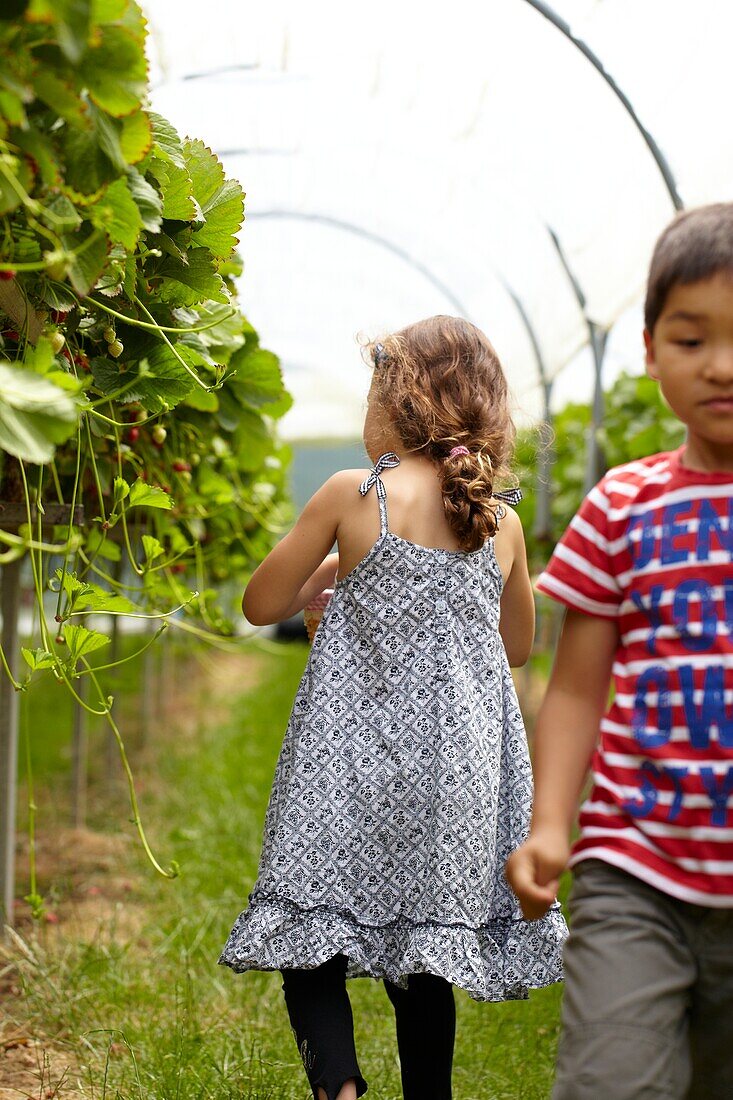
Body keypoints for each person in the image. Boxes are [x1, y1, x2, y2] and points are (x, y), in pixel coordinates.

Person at [219, 315, 567, 1100]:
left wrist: (333, 574)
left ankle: (338, 1090)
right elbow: (516, 644)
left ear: (397, 402)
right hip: (455, 781)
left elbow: (260, 601)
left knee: (309, 939)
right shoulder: (501, 523)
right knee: (423, 958)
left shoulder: (356, 496)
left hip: (345, 770)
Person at [506, 203, 733, 1100]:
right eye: (690, 339)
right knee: (613, 1081)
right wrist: (552, 823)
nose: (720, 365)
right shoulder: (620, 506)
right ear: (647, 350)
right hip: (635, 868)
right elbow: (574, 690)